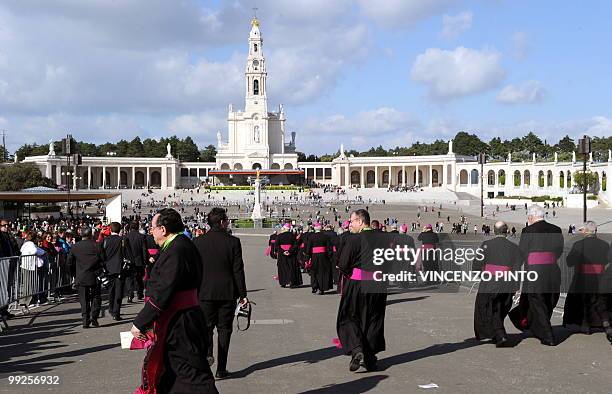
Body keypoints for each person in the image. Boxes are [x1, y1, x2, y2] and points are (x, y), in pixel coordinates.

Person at [131, 208, 217, 393]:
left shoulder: (177, 249)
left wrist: (140, 322)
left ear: (163, 229)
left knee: (190, 372)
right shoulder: (181, 244)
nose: (150, 231)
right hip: (182, 316)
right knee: (171, 371)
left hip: (180, 322)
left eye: (152, 228)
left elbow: (164, 290)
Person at [193, 208, 248, 379]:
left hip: (204, 292)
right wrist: (243, 294)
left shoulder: (198, 241)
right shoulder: (233, 242)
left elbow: (195, 269)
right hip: (227, 292)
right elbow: (238, 270)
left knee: (206, 328)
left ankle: (208, 354)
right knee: (224, 330)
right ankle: (221, 368)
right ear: (222, 222)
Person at [336, 209, 389, 372]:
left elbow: (344, 264)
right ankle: (370, 358)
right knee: (373, 320)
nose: (350, 224)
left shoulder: (353, 240)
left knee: (350, 317)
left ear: (360, 221)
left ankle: (357, 349)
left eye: (352, 221)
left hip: (358, 284)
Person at [509, 205, 564, 346]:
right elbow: (559, 251)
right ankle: (540, 326)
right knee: (548, 299)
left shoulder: (528, 230)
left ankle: (547, 335)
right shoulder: (556, 229)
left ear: (532, 217)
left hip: (535, 271)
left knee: (537, 301)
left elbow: (522, 252)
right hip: (552, 270)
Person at [473, 221, 522, 347]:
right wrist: (516, 285)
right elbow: (517, 268)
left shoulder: (486, 245)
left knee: (488, 307)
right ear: (507, 231)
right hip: (508, 281)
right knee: (500, 307)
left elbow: (477, 264)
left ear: (494, 231)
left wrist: (481, 275)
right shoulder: (515, 247)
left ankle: (500, 335)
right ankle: (497, 334)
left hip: (490, 281)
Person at [562, 221, 612, 343]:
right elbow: (608, 260)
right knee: (598, 301)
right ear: (595, 231)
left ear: (585, 231)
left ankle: (585, 325)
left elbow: (569, 262)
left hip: (582, 277)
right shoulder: (605, 244)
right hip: (599, 276)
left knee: (583, 301)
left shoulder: (579, 244)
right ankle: (602, 322)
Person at [67, 227, 104, 328]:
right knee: (96, 297)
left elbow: (69, 262)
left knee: (84, 299)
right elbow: (103, 259)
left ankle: (85, 319)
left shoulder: (75, 247)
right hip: (95, 275)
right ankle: (94, 317)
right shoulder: (97, 245)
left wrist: (74, 274)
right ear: (91, 235)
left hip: (81, 275)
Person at [102, 222, 131, 320]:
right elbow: (128, 254)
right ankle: (116, 312)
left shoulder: (105, 240)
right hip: (120, 268)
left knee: (111, 290)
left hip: (108, 268)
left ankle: (111, 308)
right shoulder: (123, 240)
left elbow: (102, 254)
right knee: (119, 291)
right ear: (119, 230)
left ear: (110, 229)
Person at [305, 222, 333, 295]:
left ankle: (315, 286)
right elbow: (329, 248)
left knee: (314, 272)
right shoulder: (326, 236)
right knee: (323, 272)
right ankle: (322, 288)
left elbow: (308, 249)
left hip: (314, 256)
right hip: (324, 256)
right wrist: (329, 256)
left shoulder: (311, 237)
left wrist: (307, 258)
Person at [274, 223, 302, 288]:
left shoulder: (279, 236)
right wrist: (289, 251)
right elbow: (295, 245)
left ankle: (283, 282)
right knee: (291, 268)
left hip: (282, 254)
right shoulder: (293, 236)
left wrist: (283, 251)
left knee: (283, 268)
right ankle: (292, 282)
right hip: (291, 254)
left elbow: (276, 246)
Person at [126, 221, 148, 302]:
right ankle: (139, 293)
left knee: (129, 279)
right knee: (139, 278)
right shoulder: (142, 237)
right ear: (138, 227)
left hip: (129, 261)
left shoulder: (126, 236)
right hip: (139, 260)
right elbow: (144, 250)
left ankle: (130, 294)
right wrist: (145, 262)